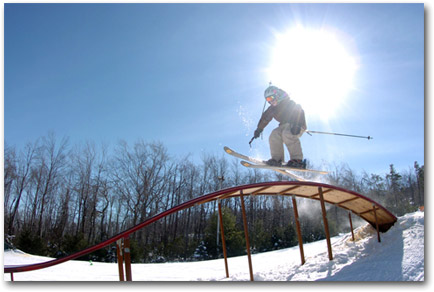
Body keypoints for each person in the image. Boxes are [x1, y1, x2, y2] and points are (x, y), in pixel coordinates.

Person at [253, 85, 307, 169]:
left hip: (296, 125)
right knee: (274, 135)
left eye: (271, 98)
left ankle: (297, 160)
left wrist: (297, 124)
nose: (270, 101)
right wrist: (259, 129)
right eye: (268, 100)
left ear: (277, 95)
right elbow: (265, 118)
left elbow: (299, 111)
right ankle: (277, 159)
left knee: (287, 134)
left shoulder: (289, 103)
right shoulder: (273, 109)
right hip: (283, 126)